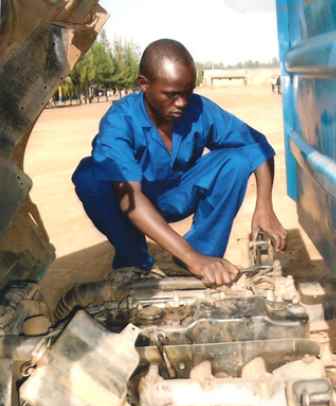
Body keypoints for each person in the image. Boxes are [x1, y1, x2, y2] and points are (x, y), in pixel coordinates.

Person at [72, 39, 286, 287]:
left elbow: (256, 145)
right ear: (143, 84)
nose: (182, 103)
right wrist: (191, 257)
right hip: (136, 203)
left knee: (237, 161)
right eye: (172, 95)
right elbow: (129, 198)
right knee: (90, 175)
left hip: (178, 195)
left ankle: (204, 251)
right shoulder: (119, 120)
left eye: (188, 92)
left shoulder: (198, 109)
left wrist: (265, 206)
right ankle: (136, 262)